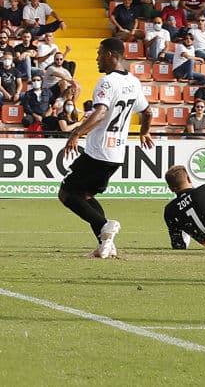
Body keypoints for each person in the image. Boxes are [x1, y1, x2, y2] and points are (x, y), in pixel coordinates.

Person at [60, 38, 153, 259]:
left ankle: (105, 226)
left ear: (110, 55)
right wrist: (144, 132)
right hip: (116, 154)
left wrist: (76, 133)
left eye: (100, 54)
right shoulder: (133, 81)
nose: (97, 58)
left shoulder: (107, 82)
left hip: (99, 151)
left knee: (66, 193)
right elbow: (148, 112)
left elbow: (100, 113)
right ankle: (105, 245)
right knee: (85, 195)